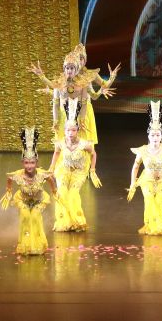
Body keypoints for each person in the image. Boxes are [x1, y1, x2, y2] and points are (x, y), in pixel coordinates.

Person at [29, 44, 118, 143]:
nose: (80, 61)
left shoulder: (89, 76)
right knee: (64, 139)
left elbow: (96, 93)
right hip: (66, 111)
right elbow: (59, 93)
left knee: (83, 139)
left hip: (83, 111)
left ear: (85, 60)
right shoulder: (64, 77)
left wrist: (110, 79)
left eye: (81, 58)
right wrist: (49, 88)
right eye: (77, 58)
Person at [0, 126, 59, 255]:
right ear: (23, 163)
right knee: (26, 217)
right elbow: (9, 178)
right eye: (26, 163)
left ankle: (37, 245)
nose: (29, 166)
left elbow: (50, 179)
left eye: (32, 163)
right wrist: (8, 191)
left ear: (36, 162)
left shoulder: (42, 174)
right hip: (23, 200)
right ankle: (26, 245)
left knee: (35, 217)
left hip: (39, 201)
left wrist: (54, 191)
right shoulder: (18, 175)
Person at [48, 98, 100, 232]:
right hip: (64, 169)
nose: (70, 133)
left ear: (77, 130)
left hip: (79, 172)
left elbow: (93, 154)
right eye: (68, 131)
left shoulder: (84, 144)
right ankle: (64, 221)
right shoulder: (60, 142)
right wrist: (52, 168)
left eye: (73, 130)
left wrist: (92, 170)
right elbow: (56, 153)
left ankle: (76, 221)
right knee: (62, 192)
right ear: (64, 131)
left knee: (73, 194)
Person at [127, 101, 162, 235]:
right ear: (148, 136)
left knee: (160, 202)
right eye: (153, 135)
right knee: (149, 200)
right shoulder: (142, 150)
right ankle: (151, 226)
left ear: (161, 136)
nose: (155, 137)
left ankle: (161, 226)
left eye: (158, 135)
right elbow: (135, 166)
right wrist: (132, 183)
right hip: (147, 181)